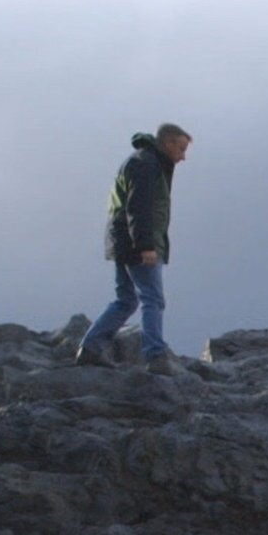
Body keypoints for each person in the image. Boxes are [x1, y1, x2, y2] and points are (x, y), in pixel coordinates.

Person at [77, 124, 193, 370]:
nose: (183, 156)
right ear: (168, 143)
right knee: (153, 299)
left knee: (126, 300)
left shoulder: (145, 161)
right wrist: (145, 246)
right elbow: (138, 207)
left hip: (122, 240)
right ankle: (156, 357)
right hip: (137, 243)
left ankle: (90, 347)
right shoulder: (146, 164)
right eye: (181, 149)